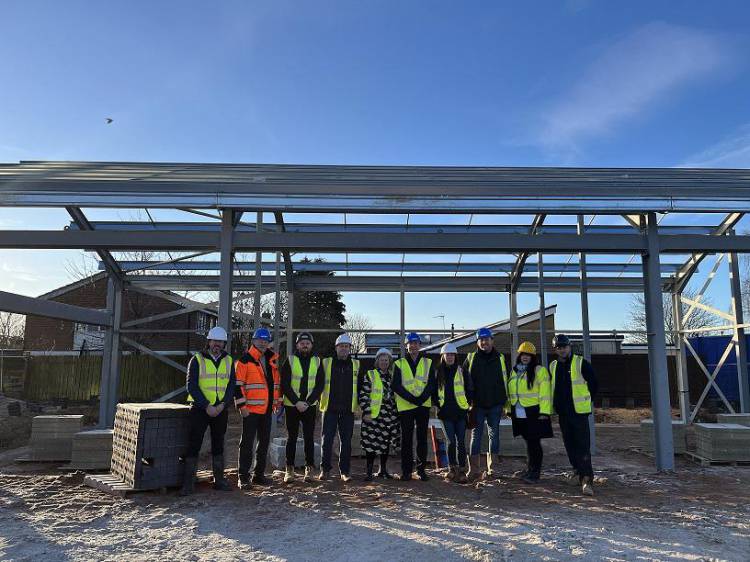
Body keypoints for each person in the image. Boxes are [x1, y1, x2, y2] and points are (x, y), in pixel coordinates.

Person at [181, 326, 236, 495]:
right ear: (209, 342)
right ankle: (188, 483)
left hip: (220, 410)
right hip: (200, 409)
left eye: (220, 342)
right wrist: (207, 406)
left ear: (224, 343)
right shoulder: (197, 360)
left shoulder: (228, 361)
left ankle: (219, 480)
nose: (217, 345)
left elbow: (231, 386)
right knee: (194, 443)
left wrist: (221, 405)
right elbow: (191, 386)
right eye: (214, 341)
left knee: (218, 443)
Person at [549, 334, 598, 496]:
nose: (562, 350)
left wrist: (587, 400)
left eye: (564, 346)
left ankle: (587, 479)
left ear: (569, 347)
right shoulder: (553, 366)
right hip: (564, 413)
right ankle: (577, 472)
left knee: (582, 445)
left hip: (579, 412)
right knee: (569, 444)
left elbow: (594, 384)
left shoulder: (581, 363)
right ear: (555, 350)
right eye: (559, 347)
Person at [234, 327, 282, 489]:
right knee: (247, 444)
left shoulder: (271, 360)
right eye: (260, 340)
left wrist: (276, 403)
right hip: (250, 411)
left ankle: (258, 475)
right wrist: (242, 406)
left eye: (265, 340)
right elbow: (237, 385)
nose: (263, 343)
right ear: (253, 341)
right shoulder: (244, 360)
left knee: (263, 443)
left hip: (267, 410)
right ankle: (243, 477)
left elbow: (275, 385)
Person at [463, 327, 508, 480]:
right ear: (477, 342)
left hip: (495, 404)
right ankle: (474, 470)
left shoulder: (500, 358)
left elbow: (504, 380)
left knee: (494, 436)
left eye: (486, 339)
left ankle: (492, 469)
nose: (484, 342)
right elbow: (462, 380)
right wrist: (468, 402)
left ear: (492, 341)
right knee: (475, 436)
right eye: (481, 340)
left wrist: (504, 402)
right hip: (477, 405)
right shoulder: (470, 358)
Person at [505, 341, 553, 484]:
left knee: (534, 442)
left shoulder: (539, 370)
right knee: (528, 442)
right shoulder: (515, 371)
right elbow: (511, 392)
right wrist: (508, 409)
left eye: (528, 355)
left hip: (534, 411)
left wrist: (544, 412)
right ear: (519, 356)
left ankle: (535, 472)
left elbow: (545, 393)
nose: (525, 357)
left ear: (533, 357)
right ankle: (530, 469)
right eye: (523, 354)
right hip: (519, 412)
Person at [280, 332, 324, 483]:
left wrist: (308, 402)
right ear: (297, 345)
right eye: (302, 342)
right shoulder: (290, 360)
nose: (305, 345)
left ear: (311, 345)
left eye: (307, 343)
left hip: (309, 406)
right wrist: (297, 401)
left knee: (309, 438)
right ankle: (289, 469)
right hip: (292, 406)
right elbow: (284, 383)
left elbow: (320, 385)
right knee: (291, 438)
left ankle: (309, 468)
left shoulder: (318, 361)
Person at [392, 332, 436, 481]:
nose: (413, 346)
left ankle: (421, 470)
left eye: (416, 343)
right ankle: (406, 471)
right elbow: (395, 385)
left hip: (423, 406)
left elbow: (431, 384)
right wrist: (411, 398)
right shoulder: (399, 363)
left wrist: (422, 398)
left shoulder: (428, 363)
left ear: (420, 345)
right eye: (410, 343)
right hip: (406, 407)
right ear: (406, 346)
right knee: (406, 440)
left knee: (422, 438)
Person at [319, 333, 360, 481]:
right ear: (336, 348)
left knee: (346, 442)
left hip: (348, 410)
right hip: (329, 409)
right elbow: (317, 384)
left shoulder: (356, 365)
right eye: (341, 346)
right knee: (327, 441)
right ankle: (325, 470)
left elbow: (359, 387)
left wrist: (360, 407)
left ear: (350, 348)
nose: (344, 349)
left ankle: (345, 471)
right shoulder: (326, 363)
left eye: (346, 346)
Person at [433, 343, 472, 483]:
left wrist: (468, 404)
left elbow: (469, 388)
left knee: (461, 442)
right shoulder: (437, 372)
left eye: (452, 354)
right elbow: (433, 391)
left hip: (460, 412)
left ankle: (462, 470)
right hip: (445, 413)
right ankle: (452, 469)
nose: (449, 357)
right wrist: (438, 405)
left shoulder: (462, 371)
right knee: (451, 441)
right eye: (447, 354)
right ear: (443, 356)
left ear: (455, 356)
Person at [359, 347, 400, 481]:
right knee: (370, 443)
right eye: (382, 360)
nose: (384, 362)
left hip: (389, 416)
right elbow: (364, 394)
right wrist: (366, 411)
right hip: (373, 415)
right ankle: (369, 471)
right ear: (377, 361)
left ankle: (382, 470)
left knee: (385, 443)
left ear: (390, 362)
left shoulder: (393, 376)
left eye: (386, 360)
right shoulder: (370, 374)